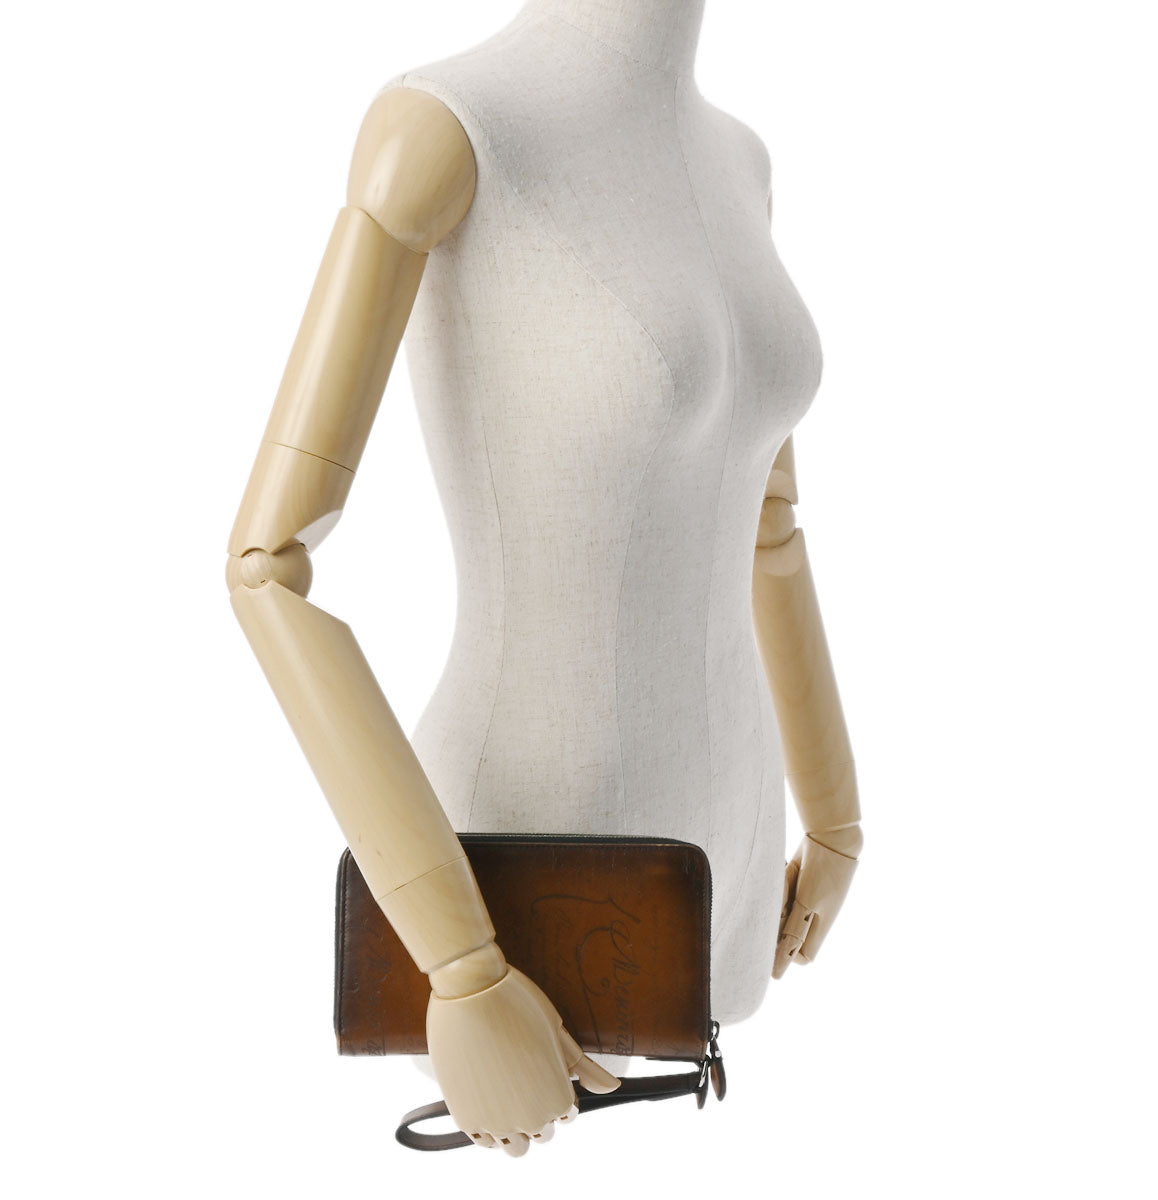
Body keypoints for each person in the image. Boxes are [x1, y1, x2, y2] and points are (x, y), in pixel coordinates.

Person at [226, 0, 861, 1156]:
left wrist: (836, 814)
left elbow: (767, 523)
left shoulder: (742, 164)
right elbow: (269, 568)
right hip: (518, 870)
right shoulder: (446, 130)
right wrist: (461, 967)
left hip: (736, 854)